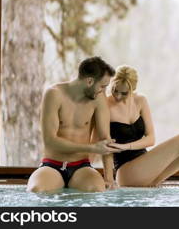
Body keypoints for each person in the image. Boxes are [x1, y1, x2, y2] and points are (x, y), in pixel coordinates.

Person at [27, 56, 120, 193]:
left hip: (81, 167)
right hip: (52, 165)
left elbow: (105, 139)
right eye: (102, 86)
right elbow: (50, 141)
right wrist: (93, 148)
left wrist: (109, 179)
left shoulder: (98, 99)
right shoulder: (54, 94)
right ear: (89, 81)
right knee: (36, 190)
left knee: (97, 190)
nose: (104, 91)